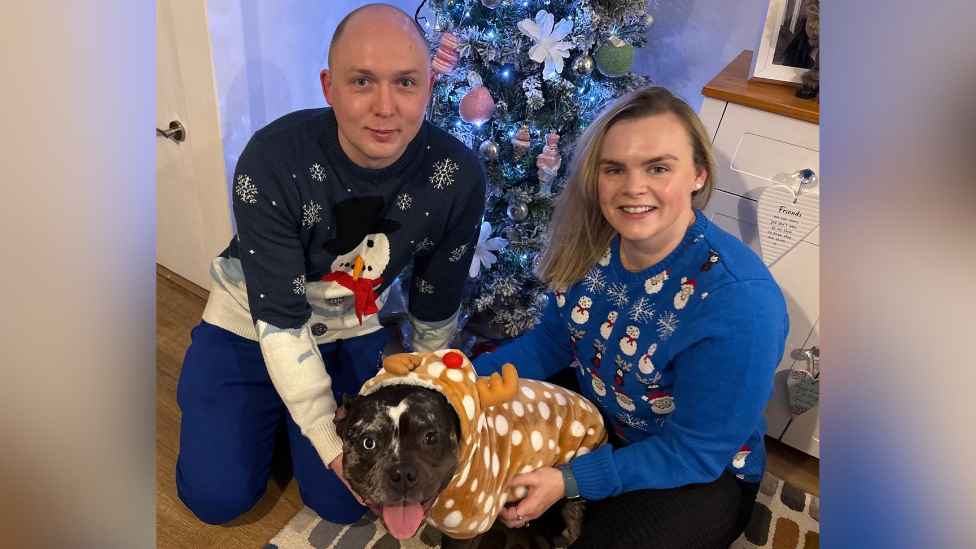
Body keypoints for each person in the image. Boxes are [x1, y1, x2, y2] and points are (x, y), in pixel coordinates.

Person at [175, 3, 486, 525]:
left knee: (348, 502)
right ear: (329, 86)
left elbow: (436, 303)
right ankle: (257, 412)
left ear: (430, 85)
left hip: (349, 327)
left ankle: (273, 421)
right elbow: (279, 317)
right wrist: (325, 438)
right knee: (216, 498)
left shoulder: (458, 175)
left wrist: (437, 386)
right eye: (362, 81)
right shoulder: (272, 158)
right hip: (252, 324)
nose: (385, 107)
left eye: (406, 83)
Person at [472, 87, 789, 548]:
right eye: (614, 169)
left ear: (698, 175)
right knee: (480, 462)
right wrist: (457, 384)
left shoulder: (741, 304)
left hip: (700, 470)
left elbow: (695, 452)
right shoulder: (588, 239)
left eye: (658, 168)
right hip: (601, 414)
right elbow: (551, 345)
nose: (632, 187)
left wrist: (569, 480)